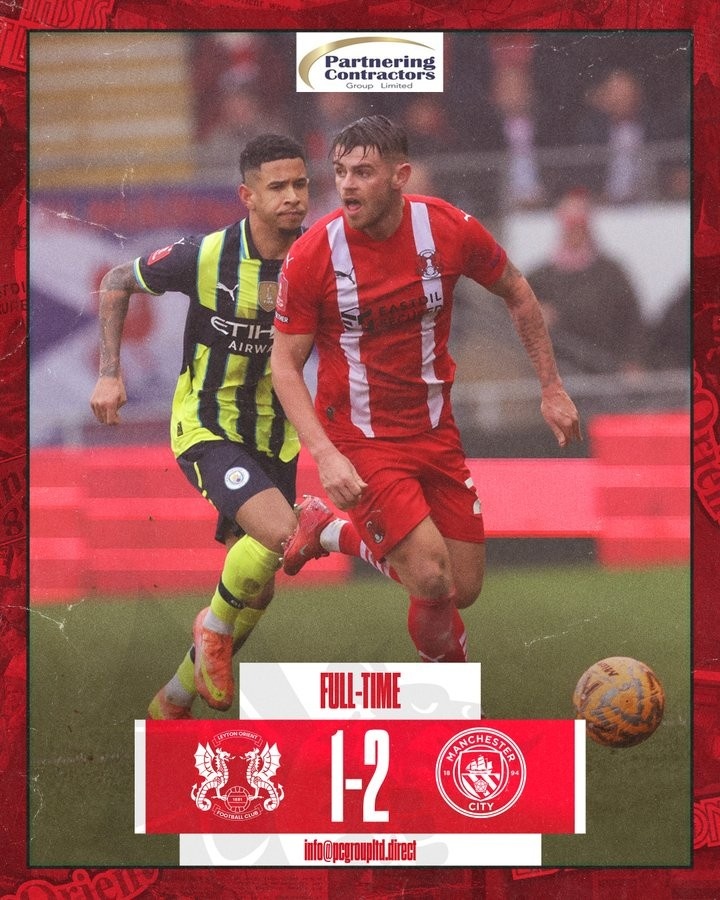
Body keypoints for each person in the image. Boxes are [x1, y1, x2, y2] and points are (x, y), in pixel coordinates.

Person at [273, 115, 581, 665]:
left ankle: (328, 532)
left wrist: (551, 387)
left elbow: (517, 291)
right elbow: (284, 365)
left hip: (435, 431)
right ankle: (448, 699)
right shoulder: (313, 253)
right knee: (431, 576)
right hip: (361, 440)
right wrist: (325, 452)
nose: (346, 185)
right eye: (340, 171)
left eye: (363, 172)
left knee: (462, 587)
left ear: (401, 176)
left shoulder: (448, 228)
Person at [90, 134, 319, 719]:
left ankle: (174, 698)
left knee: (259, 585)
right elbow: (116, 280)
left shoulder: (319, 258)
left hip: (276, 435)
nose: (293, 197)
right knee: (280, 534)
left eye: (300, 184)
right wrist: (109, 374)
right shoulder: (206, 254)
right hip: (208, 424)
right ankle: (211, 628)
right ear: (248, 195)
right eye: (277, 187)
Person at [527, 188, 646, 374]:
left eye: (579, 226)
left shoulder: (612, 273)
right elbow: (509, 310)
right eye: (570, 226)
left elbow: (633, 320)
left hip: (606, 370)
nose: (574, 233)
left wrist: (633, 361)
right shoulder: (540, 277)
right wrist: (533, 316)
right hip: (558, 373)